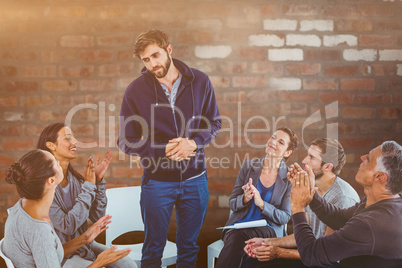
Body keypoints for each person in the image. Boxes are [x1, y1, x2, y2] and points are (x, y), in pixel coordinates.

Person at [118, 29, 221, 267]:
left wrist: (193, 143)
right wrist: (163, 149)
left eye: (156, 55)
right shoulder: (135, 90)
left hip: (196, 179)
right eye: (146, 60)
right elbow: (126, 140)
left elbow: (214, 122)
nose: (153, 64)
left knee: (189, 249)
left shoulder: (200, 81)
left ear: (169, 50)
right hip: (157, 181)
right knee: (153, 249)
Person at [2, 149, 131, 268]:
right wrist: (98, 263)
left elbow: (50, 253)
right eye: (56, 162)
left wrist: (84, 238)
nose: (59, 163)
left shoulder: (21, 207)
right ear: (51, 181)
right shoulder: (40, 230)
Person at [243, 138, 360, 268]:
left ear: (328, 166)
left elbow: (323, 253)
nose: (304, 161)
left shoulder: (342, 197)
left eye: (312, 157)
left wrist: (278, 253)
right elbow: (301, 236)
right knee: (252, 262)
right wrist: (266, 242)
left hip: (331, 262)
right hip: (311, 253)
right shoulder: (311, 186)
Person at [37, 123, 136, 268]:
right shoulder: (45, 185)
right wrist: (89, 186)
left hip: (86, 246)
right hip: (62, 255)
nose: (75, 142)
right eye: (68, 138)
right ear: (51, 145)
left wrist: (98, 182)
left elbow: (97, 216)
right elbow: (68, 226)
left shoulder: (75, 179)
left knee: (127, 264)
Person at [290, 141, 402, 267]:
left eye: (369, 159)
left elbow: (311, 255)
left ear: (380, 177)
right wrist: (310, 191)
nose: (362, 157)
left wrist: (297, 207)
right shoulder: (380, 202)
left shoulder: (372, 223)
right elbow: (340, 218)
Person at [215, 128, 299, 268]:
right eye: (273, 137)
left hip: (268, 229)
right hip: (238, 225)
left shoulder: (289, 178)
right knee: (238, 237)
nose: (273, 142)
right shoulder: (248, 167)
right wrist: (245, 199)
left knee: (238, 237)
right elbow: (232, 203)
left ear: (287, 152)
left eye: (280, 142)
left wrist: (262, 204)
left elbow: (284, 217)